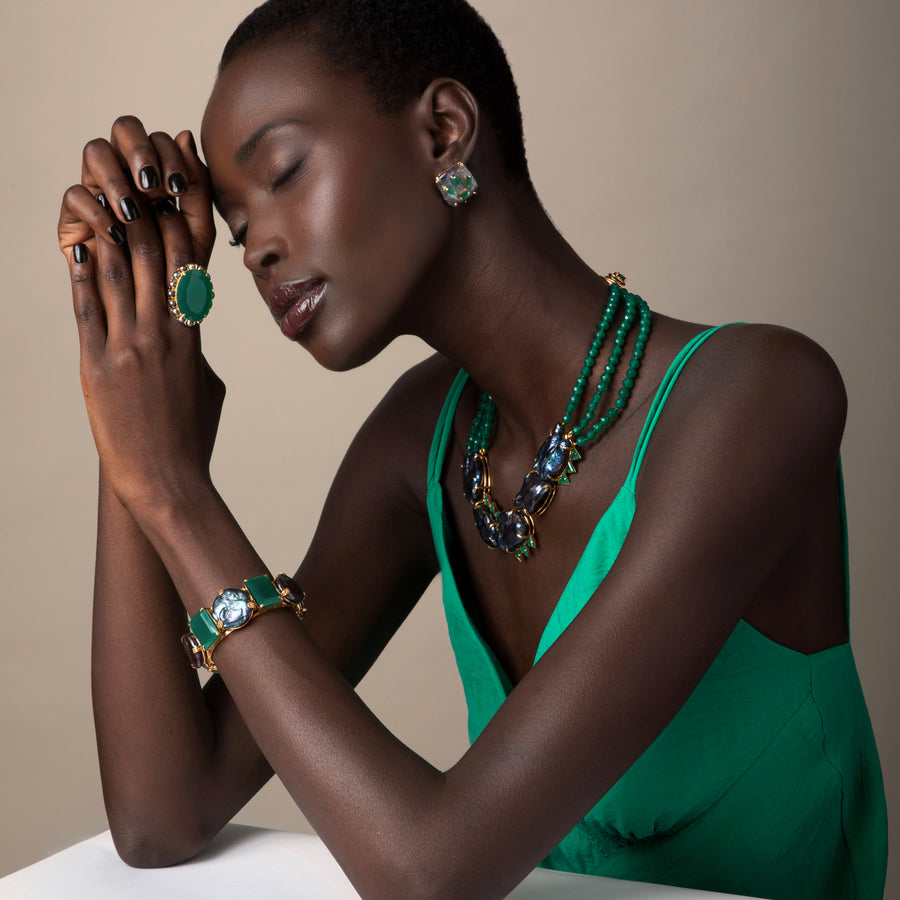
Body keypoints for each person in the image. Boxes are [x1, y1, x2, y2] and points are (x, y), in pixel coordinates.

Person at [56, 1, 887, 897]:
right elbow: (159, 815)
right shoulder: (422, 442)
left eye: (284, 172)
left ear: (444, 132)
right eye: (232, 223)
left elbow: (431, 875)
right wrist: (133, 381)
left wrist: (176, 490)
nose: (254, 248)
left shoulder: (755, 399)